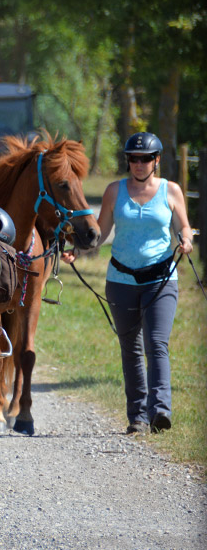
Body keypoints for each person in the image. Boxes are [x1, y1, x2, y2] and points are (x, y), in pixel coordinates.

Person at [62, 132, 193, 434]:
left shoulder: (171, 191)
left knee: (156, 343)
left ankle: (160, 410)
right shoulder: (114, 191)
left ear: (156, 160)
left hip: (161, 279)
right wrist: (78, 252)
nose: (138, 163)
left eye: (145, 158)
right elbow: (102, 231)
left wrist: (185, 239)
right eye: (133, 158)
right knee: (130, 347)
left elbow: (183, 225)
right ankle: (137, 417)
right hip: (120, 279)